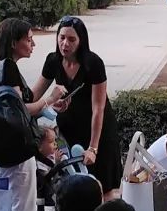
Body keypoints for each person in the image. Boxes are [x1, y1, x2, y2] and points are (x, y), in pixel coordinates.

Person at [34, 16, 123, 200]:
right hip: (67, 130)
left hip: (97, 132)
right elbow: (34, 95)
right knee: (71, 183)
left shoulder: (93, 64)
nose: (65, 43)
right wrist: (49, 103)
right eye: (62, 37)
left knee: (102, 187)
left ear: (81, 41)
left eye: (71, 39)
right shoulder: (53, 61)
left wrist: (93, 148)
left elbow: (99, 108)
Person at [0, 18, 65, 211]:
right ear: (14, 43)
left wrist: (45, 107)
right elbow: (20, 110)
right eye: (29, 39)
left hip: (1, 152)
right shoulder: (9, 69)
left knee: (5, 210)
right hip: (17, 153)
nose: (33, 44)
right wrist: (50, 98)